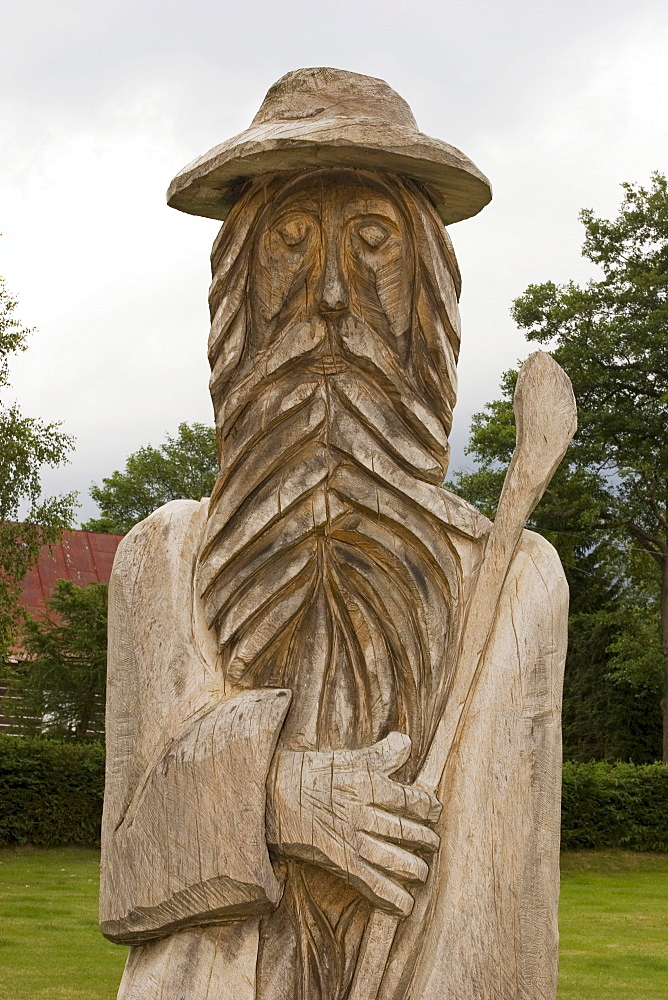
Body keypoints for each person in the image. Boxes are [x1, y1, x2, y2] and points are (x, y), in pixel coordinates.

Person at [100, 68, 568, 1000]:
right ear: (237, 287)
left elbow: (508, 906)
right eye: (288, 243)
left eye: (372, 242)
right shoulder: (165, 559)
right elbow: (128, 872)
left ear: (425, 296)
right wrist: (276, 797)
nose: (328, 296)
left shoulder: (516, 580)